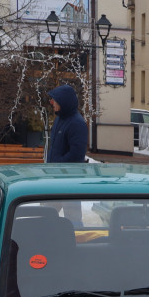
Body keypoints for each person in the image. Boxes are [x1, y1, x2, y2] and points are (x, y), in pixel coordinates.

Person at [46, 84, 87, 225]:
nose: (51, 103)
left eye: (54, 100)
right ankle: (44, 239)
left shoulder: (77, 123)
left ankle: (75, 242)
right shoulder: (59, 119)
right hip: (53, 179)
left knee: (73, 218)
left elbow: (76, 154)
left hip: (70, 181)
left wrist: (58, 167)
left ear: (63, 102)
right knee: (45, 214)